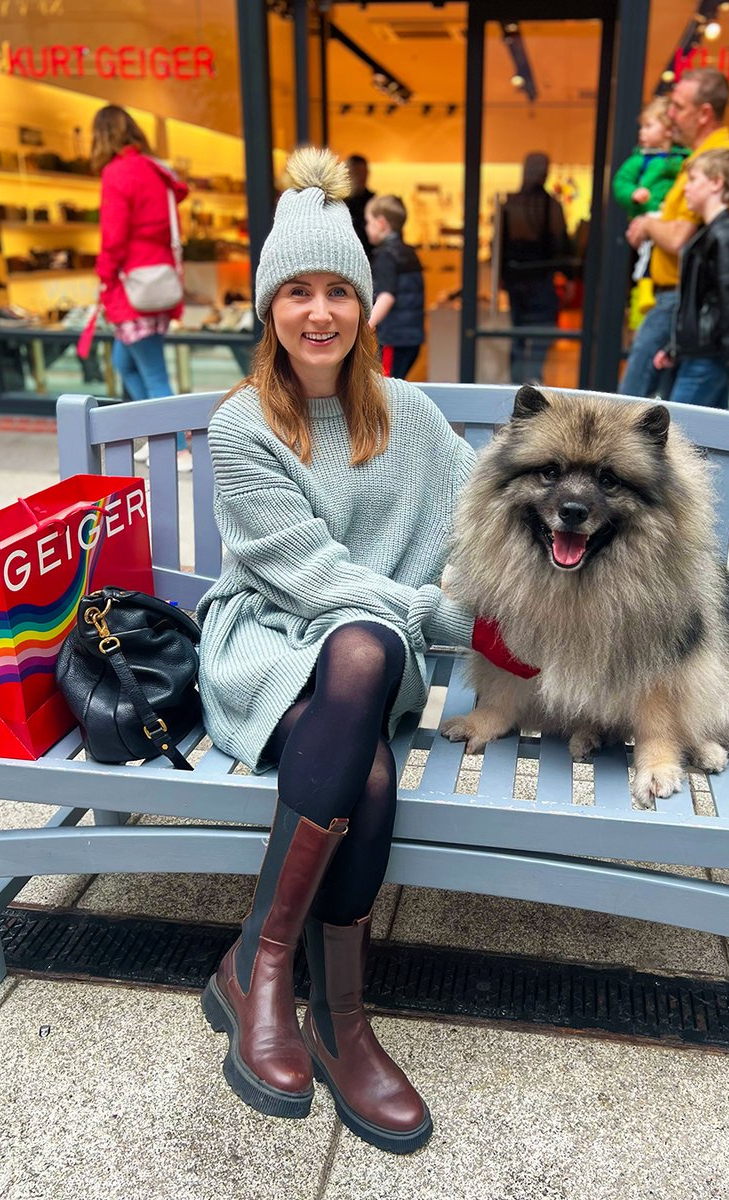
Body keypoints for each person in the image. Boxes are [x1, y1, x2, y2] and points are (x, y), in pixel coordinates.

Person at [196, 146, 532, 1154]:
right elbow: (315, 578)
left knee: (362, 655)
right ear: (268, 307)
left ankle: (264, 966)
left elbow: (491, 531)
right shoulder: (240, 427)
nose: (319, 312)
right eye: (296, 290)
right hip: (266, 645)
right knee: (363, 695)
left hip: (365, 658)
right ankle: (324, 1010)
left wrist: (549, 601)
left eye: (337, 289)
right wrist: (445, 620)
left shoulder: (415, 421)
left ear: (364, 305)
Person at [620, 69, 729, 402]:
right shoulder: (696, 158)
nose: (670, 115)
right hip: (682, 308)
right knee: (699, 429)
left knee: (629, 406)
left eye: (677, 107)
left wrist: (648, 225)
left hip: (679, 302)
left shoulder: (714, 160)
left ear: (704, 113)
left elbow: (680, 239)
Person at [652, 149, 729, 530]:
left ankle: (670, 508)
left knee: (673, 428)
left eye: (694, 180)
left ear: (717, 183)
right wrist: (675, 348)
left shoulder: (725, 235)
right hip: (704, 351)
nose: (687, 189)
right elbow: (703, 302)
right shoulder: (713, 233)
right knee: (723, 429)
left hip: (709, 355)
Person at [91, 105, 191, 470]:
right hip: (157, 282)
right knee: (125, 363)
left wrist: (103, 274)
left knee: (152, 373)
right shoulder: (156, 170)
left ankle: (177, 447)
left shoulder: (118, 173)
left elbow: (113, 236)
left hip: (133, 287)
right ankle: (156, 434)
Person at [612, 97, 689, 330]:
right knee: (646, 256)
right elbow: (621, 183)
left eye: (649, 126)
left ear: (668, 129)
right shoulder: (640, 160)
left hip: (672, 219)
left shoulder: (684, 159)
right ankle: (644, 290)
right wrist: (634, 194)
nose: (642, 133)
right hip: (649, 216)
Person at [500, 151, 573, 385]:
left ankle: (519, 380)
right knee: (539, 331)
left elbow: (500, 246)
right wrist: (569, 276)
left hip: (519, 280)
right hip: (540, 278)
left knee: (519, 332)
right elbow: (561, 242)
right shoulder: (550, 205)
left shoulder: (512, 203)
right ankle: (531, 378)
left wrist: (503, 277)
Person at [365, 193, 425, 379]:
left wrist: (368, 325)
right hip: (411, 337)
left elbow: (386, 295)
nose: (366, 228)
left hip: (393, 337)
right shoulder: (409, 253)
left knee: (386, 387)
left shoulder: (386, 256)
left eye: (369, 222)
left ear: (381, 223)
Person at [345, 153, 375, 259]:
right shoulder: (339, 203)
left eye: (363, 173)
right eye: (356, 173)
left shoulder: (374, 202)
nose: (361, 178)